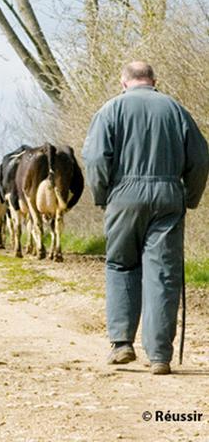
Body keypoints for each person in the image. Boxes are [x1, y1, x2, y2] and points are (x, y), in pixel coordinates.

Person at [82, 61, 209, 375]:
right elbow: (200, 158)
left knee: (121, 264)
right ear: (154, 81)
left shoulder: (110, 110)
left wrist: (102, 195)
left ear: (123, 82)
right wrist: (189, 197)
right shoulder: (176, 110)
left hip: (124, 194)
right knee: (163, 273)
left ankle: (122, 343)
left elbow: (96, 157)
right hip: (168, 194)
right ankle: (160, 356)